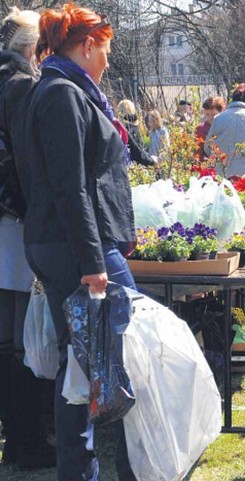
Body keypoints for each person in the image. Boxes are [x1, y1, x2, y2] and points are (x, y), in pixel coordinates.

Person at [13, 4, 138, 479]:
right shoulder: (62, 94)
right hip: (78, 249)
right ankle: (118, 468)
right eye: (104, 49)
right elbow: (71, 187)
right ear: (87, 46)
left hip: (71, 244)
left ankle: (86, 470)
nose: (107, 60)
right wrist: (92, 263)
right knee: (113, 356)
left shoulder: (62, 90)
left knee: (83, 367)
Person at [0, 7, 56, 470]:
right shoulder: (20, 85)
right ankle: (27, 441)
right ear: (34, 49)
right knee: (22, 340)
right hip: (14, 223)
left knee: (12, 338)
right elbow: (22, 161)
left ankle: (22, 438)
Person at [115, 99, 157, 166]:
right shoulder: (134, 129)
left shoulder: (117, 129)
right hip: (135, 164)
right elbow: (138, 151)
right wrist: (150, 160)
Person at [195, 95, 226, 160]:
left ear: (222, 112)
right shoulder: (201, 129)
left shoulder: (227, 127)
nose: (210, 118)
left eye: (213, 115)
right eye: (207, 115)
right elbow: (198, 154)